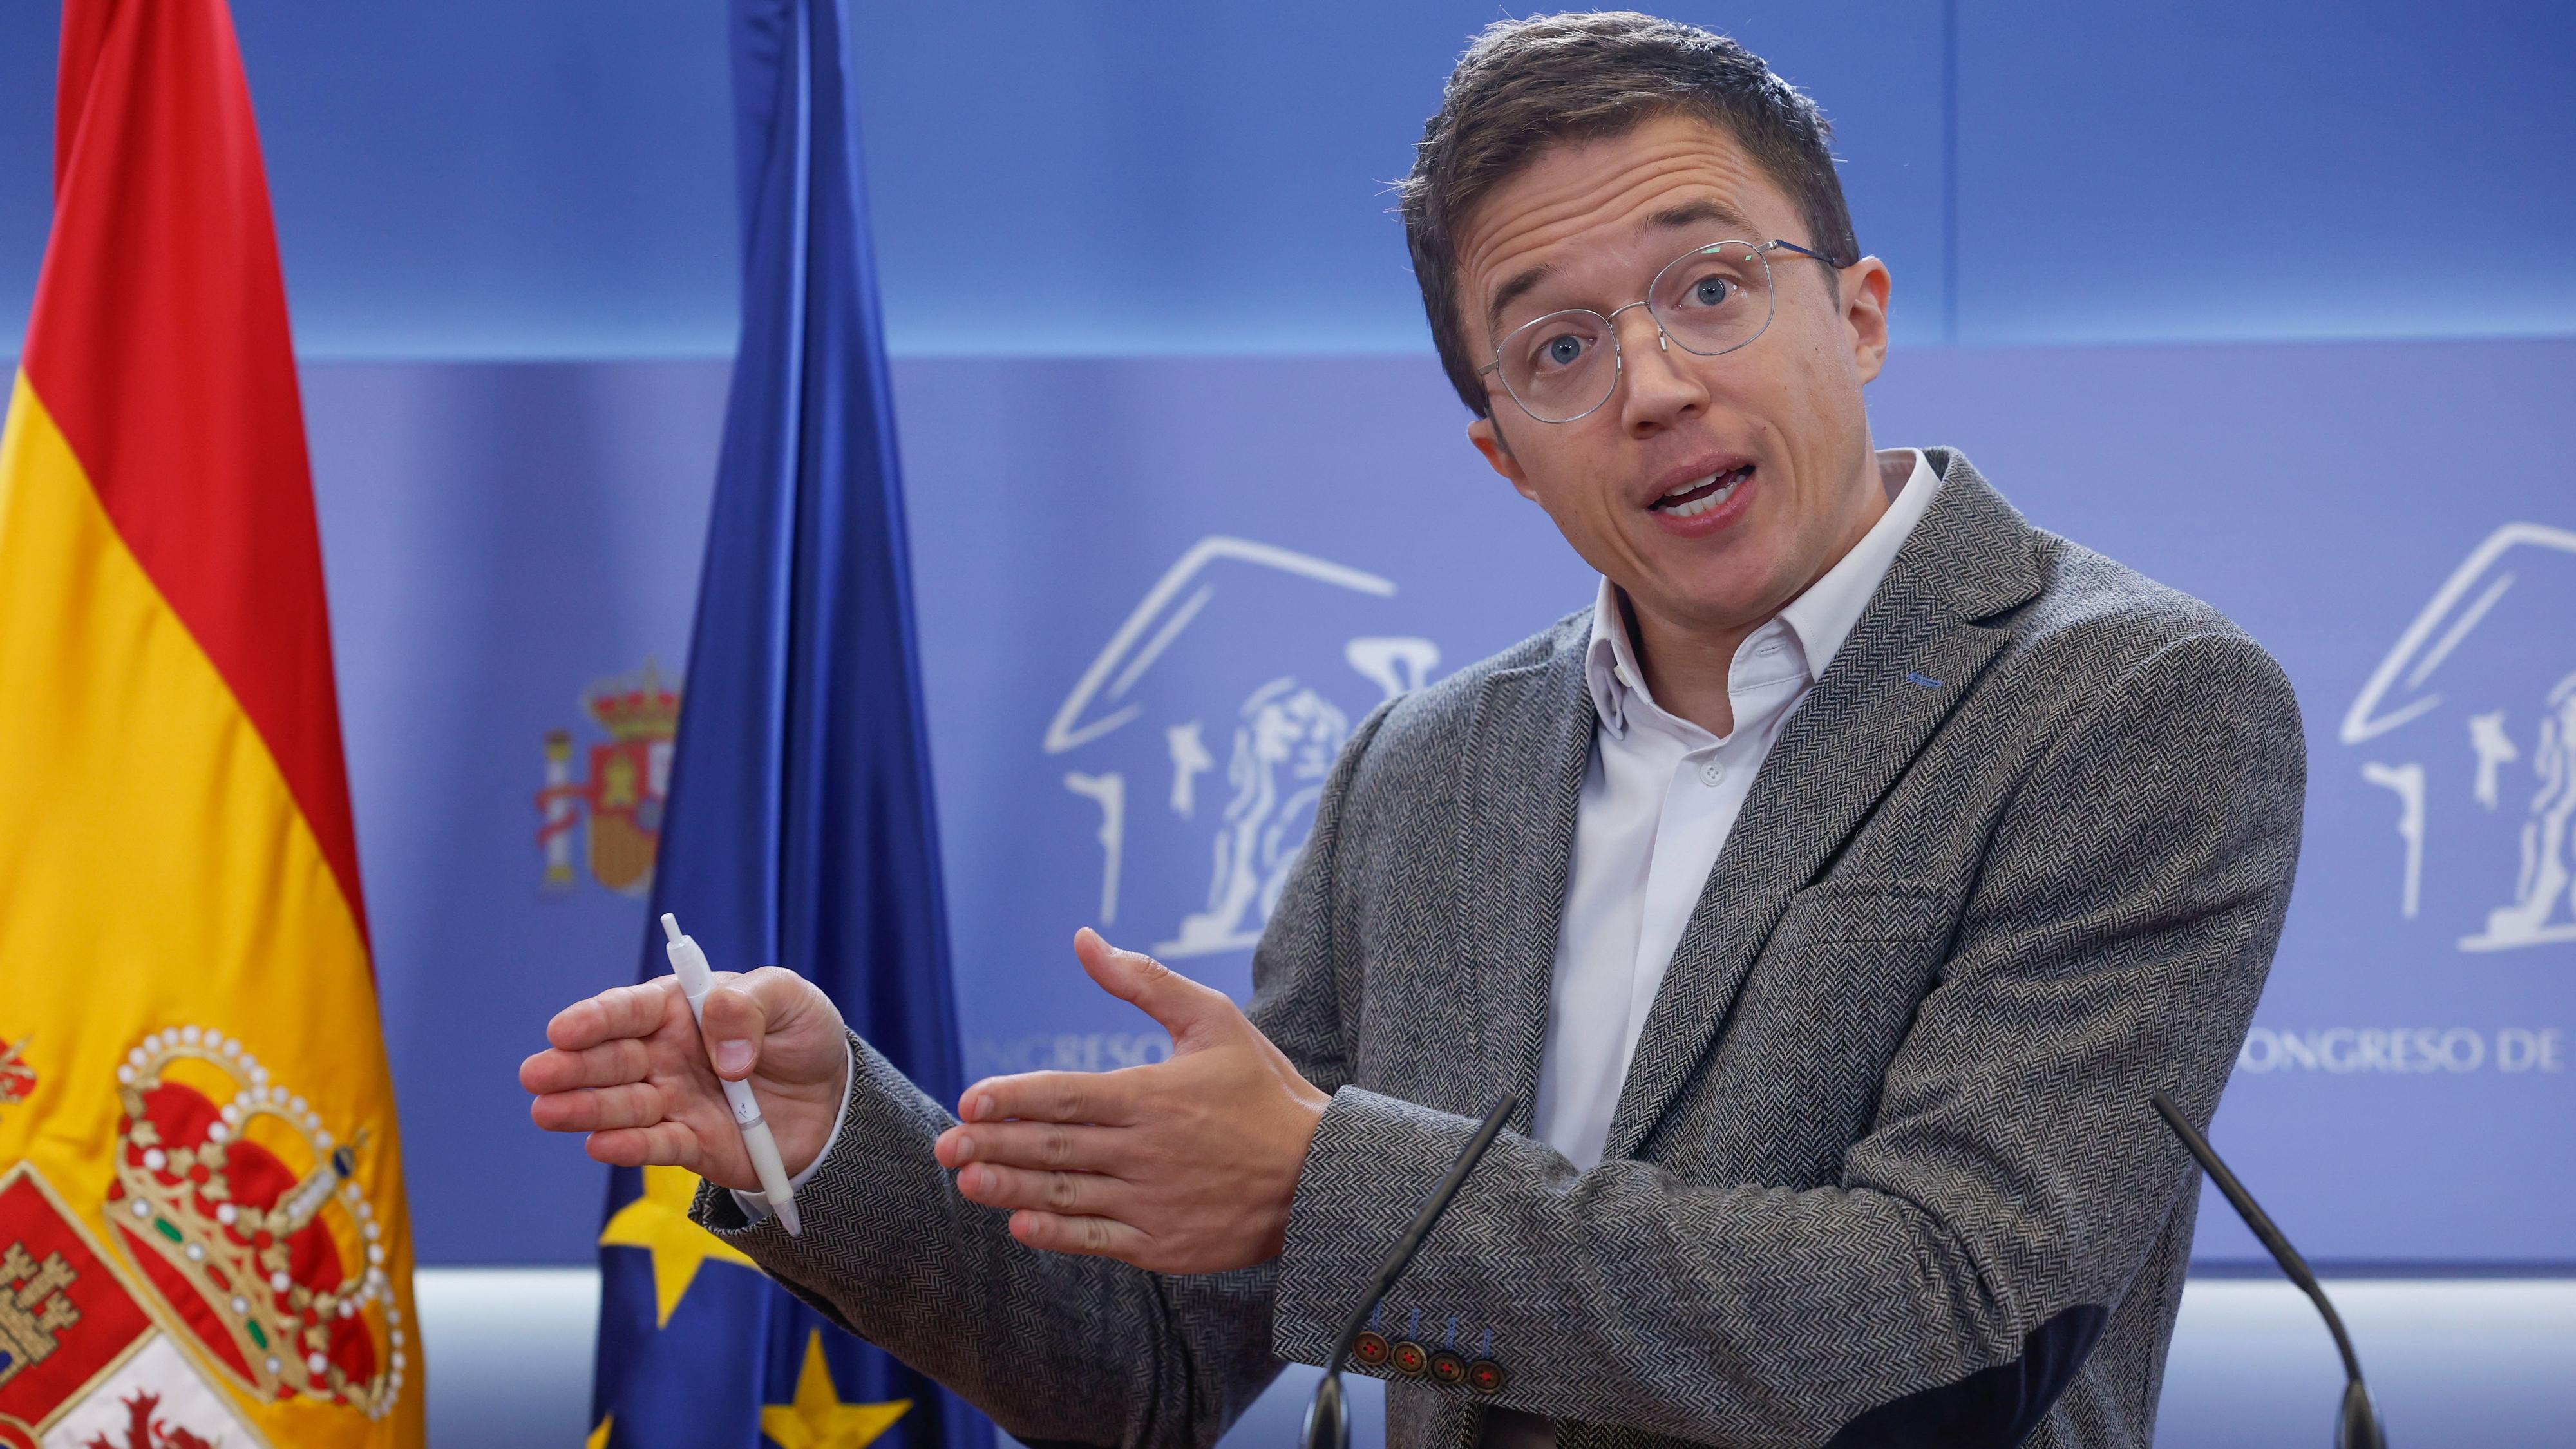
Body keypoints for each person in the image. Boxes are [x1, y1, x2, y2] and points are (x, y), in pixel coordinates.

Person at [519, 13, 2304, 1447]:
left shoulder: (2131, 702)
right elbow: (1149, 1372)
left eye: (1709, 287)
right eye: (1558, 348)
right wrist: (836, 1143)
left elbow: (1945, 1319)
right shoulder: (1425, 771)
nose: (1655, 384)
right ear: (1501, 451)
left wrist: (1324, 1178)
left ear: (1858, 314)